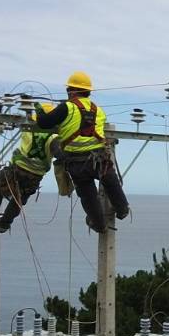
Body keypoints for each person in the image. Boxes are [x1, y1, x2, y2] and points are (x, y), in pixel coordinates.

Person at [35, 71, 128, 233]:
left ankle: (99, 225)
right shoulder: (98, 110)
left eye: (68, 91)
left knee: (88, 196)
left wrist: (39, 110)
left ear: (73, 91)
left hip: (77, 163)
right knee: (112, 183)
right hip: (99, 159)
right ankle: (123, 210)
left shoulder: (67, 108)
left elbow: (44, 123)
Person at [0, 103, 64, 233]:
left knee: (0, 187)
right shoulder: (54, 136)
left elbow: (21, 122)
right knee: (19, 199)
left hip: (18, 168)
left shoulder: (28, 128)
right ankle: (4, 224)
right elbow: (59, 154)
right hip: (35, 175)